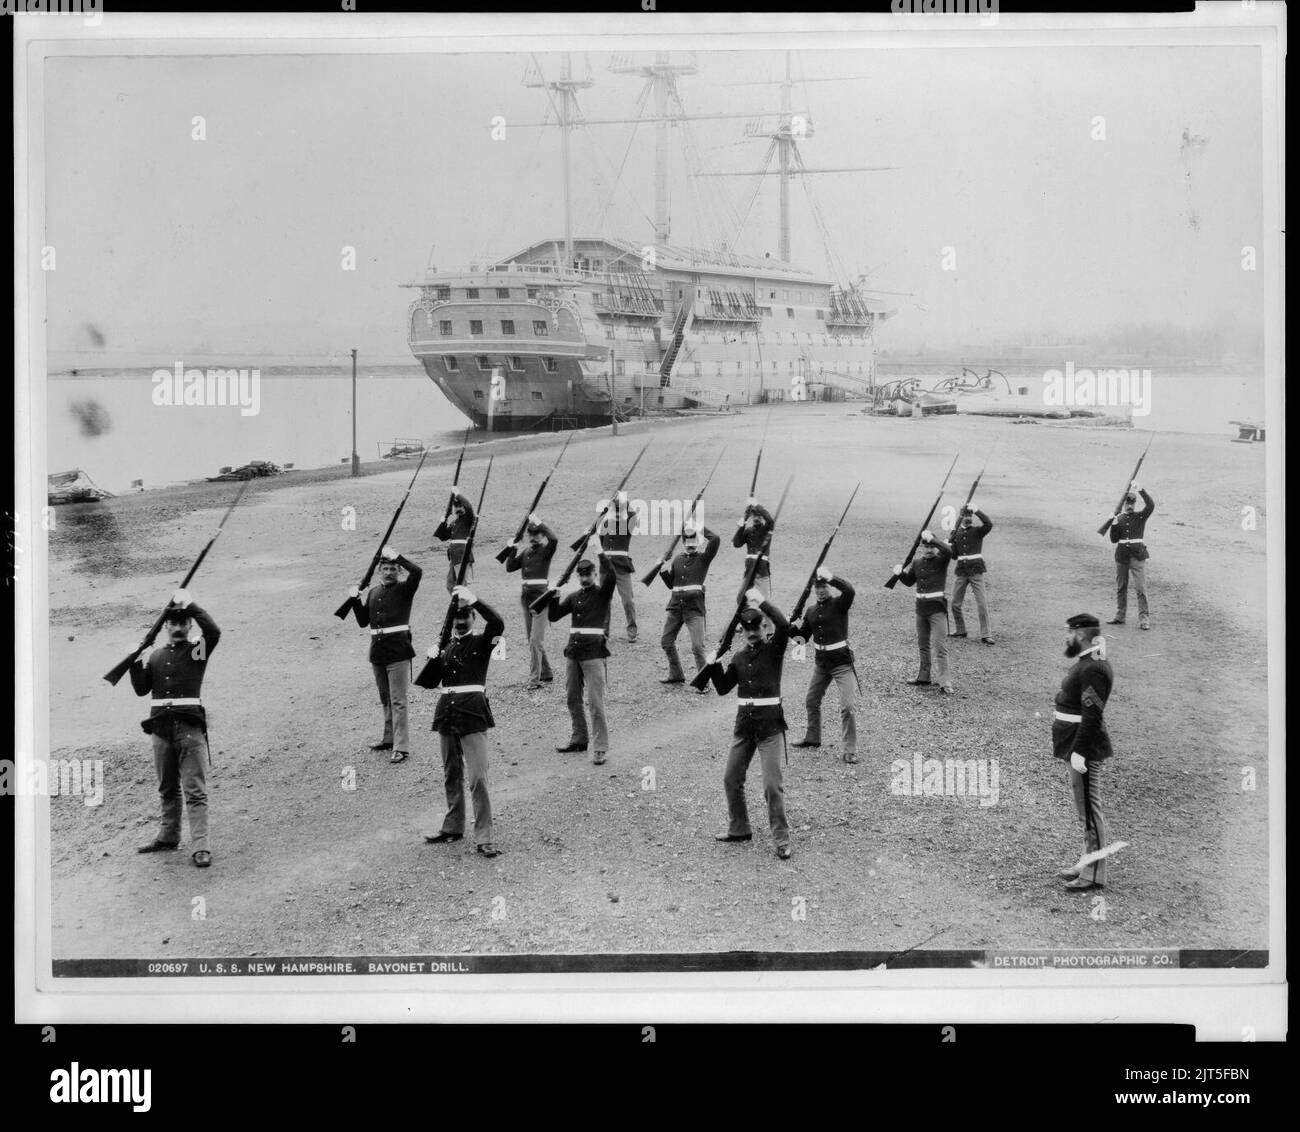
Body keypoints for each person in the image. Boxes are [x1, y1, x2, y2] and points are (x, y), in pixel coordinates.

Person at [130, 589, 221, 868]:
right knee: (167, 787)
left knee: (194, 789)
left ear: (190, 625)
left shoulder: (197, 650)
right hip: (160, 729)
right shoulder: (156, 655)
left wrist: (190, 603)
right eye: (174, 623)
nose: (179, 627)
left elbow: (213, 631)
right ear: (166, 626)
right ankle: (168, 837)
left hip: (189, 728)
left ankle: (201, 847)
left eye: (184, 623)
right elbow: (141, 689)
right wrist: (135, 660)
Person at [707, 591, 793, 859]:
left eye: (756, 627)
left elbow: (786, 626)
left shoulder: (774, 648)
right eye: (747, 629)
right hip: (744, 727)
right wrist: (712, 666)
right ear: (742, 631)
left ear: (763, 626)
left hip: (769, 728)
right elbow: (722, 688)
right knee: (731, 778)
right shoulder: (739, 658)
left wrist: (761, 600)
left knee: (771, 786)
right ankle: (739, 828)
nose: (752, 633)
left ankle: (781, 839)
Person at [423, 586, 504, 858]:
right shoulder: (446, 645)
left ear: (472, 617)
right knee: (451, 773)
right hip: (447, 712)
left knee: (478, 777)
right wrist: (434, 657)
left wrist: (476, 600)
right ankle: (453, 826)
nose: (460, 621)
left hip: (472, 712)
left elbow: (498, 623)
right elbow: (429, 682)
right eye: (457, 617)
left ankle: (485, 836)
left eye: (466, 615)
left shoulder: (483, 641)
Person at [1052, 613, 1115, 891]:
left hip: (1083, 747)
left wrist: (1080, 751)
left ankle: (1094, 874)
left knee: (1089, 811)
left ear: (1080, 635)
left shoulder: (1092, 668)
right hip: (1075, 744)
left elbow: (1092, 714)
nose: (1066, 637)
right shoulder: (1089, 663)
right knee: (1085, 810)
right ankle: (1087, 862)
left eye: (1069, 632)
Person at [350, 545, 421, 764]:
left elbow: (417, 571)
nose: (389, 572)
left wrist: (398, 555)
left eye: (393, 568)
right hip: (378, 652)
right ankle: (389, 738)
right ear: (379, 571)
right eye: (386, 568)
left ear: (399, 571)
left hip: (398, 651)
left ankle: (401, 747)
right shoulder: (373, 592)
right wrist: (354, 599)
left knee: (398, 700)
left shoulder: (404, 589)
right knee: (385, 698)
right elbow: (363, 622)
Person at [549, 555, 617, 765]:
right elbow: (553, 616)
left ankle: (600, 748)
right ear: (578, 576)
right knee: (572, 698)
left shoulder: (602, 594)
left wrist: (599, 551)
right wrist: (554, 594)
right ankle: (579, 738)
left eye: (588, 574)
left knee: (596, 702)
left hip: (594, 653)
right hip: (573, 653)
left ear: (595, 574)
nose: (585, 577)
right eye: (582, 574)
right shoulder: (574, 596)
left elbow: (613, 576)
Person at [789, 566, 858, 763]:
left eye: (824, 586)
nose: (820, 590)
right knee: (811, 700)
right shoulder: (810, 611)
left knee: (848, 707)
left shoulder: (839, 604)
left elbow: (850, 590)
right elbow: (801, 639)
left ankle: (850, 749)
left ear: (829, 586)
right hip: (822, 665)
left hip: (842, 664)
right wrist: (787, 626)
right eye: (817, 587)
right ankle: (812, 738)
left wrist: (832, 577)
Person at [656, 522, 722, 687]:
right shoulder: (677, 559)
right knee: (666, 642)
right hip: (676, 608)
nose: (691, 547)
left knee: (698, 647)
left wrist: (698, 526)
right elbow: (672, 585)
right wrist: (663, 571)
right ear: (684, 543)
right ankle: (676, 674)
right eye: (688, 544)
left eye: (694, 544)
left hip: (694, 610)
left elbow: (715, 539)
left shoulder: (703, 558)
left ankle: (703, 682)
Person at [894, 531, 956, 694]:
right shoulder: (916, 562)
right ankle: (924, 676)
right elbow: (909, 582)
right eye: (926, 546)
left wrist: (934, 540)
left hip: (937, 609)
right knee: (923, 645)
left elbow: (950, 551)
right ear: (922, 547)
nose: (929, 550)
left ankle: (945, 682)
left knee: (940, 646)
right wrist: (900, 573)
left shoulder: (942, 560)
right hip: (921, 609)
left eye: (931, 547)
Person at [503, 513, 558, 690]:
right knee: (532, 639)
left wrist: (540, 523)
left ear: (542, 535)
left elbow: (554, 539)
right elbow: (510, 567)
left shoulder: (546, 550)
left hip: (541, 598)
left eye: (537, 533)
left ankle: (534, 679)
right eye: (531, 534)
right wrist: (512, 548)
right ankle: (546, 672)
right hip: (526, 598)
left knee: (535, 640)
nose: (534, 537)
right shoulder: (526, 552)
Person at [1108, 482, 1155, 630]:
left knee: (1141, 588)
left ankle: (1144, 620)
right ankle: (1120, 616)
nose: (1129, 506)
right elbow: (1114, 540)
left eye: (1132, 503)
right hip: (1122, 557)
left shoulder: (1141, 516)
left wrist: (1141, 489)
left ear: (1134, 504)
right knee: (1121, 587)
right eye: (1127, 503)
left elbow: (1151, 505)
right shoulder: (1119, 518)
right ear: (1123, 505)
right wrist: (1114, 523)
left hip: (1137, 557)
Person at [948, 505, 994, 644]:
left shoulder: (978, 531)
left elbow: (989, 524)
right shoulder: (956, 534)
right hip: (962, 571)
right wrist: (948, 546)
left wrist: (977, 510)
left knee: (981, 603)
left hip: (976, 570)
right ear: (961, 518)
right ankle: (960, 630)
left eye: (970, 515)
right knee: (955, 603)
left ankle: (986, 634)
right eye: (965, 515)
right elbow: (954, 556)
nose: (968, 518)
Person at [598, 490, 639, 642]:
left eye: (619, 509)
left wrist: (624, 500)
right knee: (604, 600)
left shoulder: (627, 525)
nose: (617, 512)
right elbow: (600, 543)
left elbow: (633, 515)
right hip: (606, 567)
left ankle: (632, 631)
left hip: (622, 568)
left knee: (628, 600)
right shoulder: (605, 524)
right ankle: (604, 631)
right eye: (615, 509)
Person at [434, 487, 476, 594]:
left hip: (462, 555)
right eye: (456, 506)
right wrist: (443, 522)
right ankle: (457, 604)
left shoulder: (468, 518)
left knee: (462, 585)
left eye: (460, 506)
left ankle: (465, 606)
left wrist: (458, 495)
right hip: (454, 557)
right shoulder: (455, 522)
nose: (458, 508)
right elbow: (442, 536)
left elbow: (469, 506)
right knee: (450, 585)